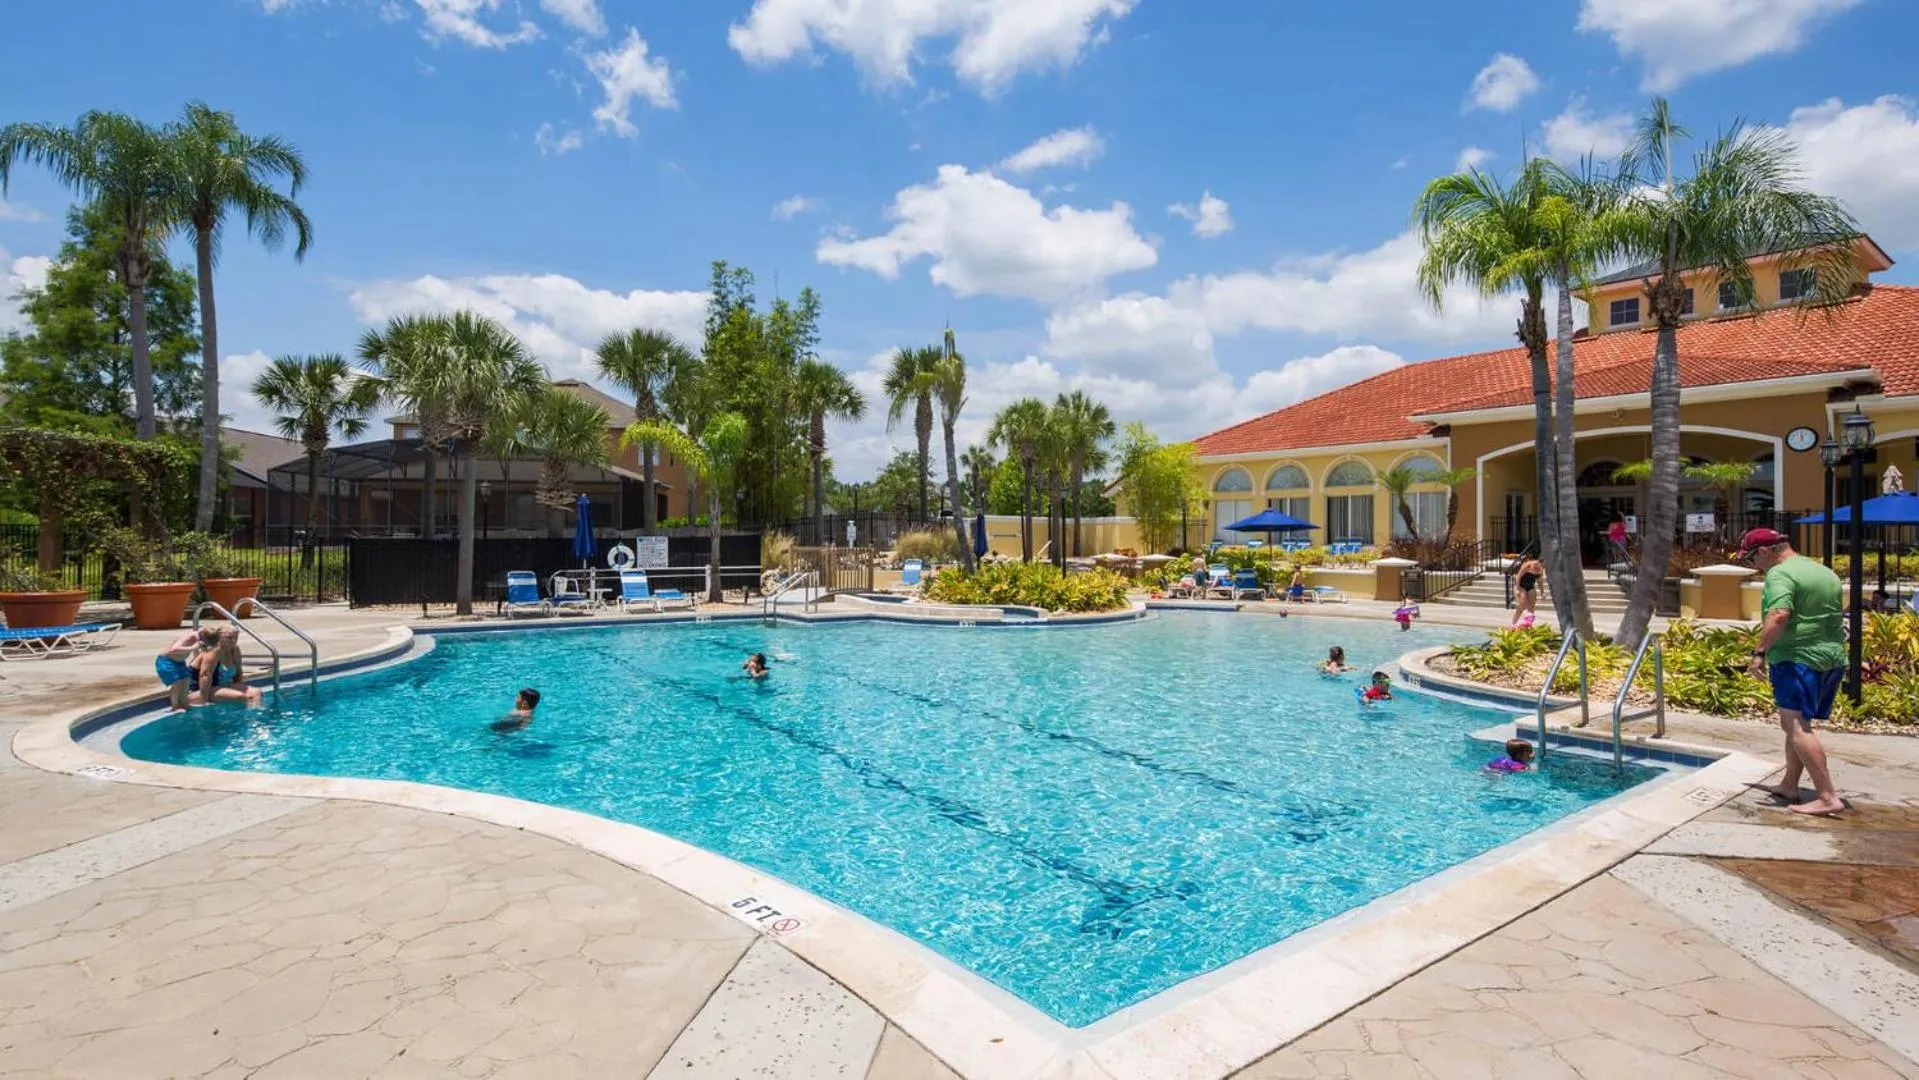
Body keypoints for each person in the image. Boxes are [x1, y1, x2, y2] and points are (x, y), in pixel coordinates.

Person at [1739, 528, 1847, 816]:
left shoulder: (1779, 574)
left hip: (1797, 658)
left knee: (1797, 726)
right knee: (1795, 723)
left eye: (1751, 559)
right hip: (1831, 657)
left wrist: (1759, 652)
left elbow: (1779, 614)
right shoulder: (1822, 571)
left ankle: (1827, 796)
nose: (1753, 567)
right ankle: (1790, 785)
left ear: (1764, 552)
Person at [195, 626, 263, 707]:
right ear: (219, 637)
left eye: (236, 637)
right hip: (206, 688)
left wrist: (239, 688)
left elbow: (238, 672)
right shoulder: (214, 651)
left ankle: (255, 716)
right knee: (239, 697)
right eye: (229, 638)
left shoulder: (235, 649)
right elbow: (205, 675)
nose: (234, 640)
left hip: (224, 685)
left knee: (256, 692)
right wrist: (204, 700)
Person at [156, 627, 217, 711]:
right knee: (176, 683)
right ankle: (175, 706)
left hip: (180, 663)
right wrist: (193, 647)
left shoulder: (198, 638)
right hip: (166, 661)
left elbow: (196, 652)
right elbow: (173, 650)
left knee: (186, 681)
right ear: (203, 636)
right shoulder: (189, 637)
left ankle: (184, 704)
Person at [1511, 555, 1545, 628]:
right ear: (1539, 562)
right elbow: (1518, 577)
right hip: (1521, 585)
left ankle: (1528, 625)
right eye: (1543, 564)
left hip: (1530, 586)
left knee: (1532, 607)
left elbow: (1540, 581)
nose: (1543, 566)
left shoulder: (1541, 569)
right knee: (1522, 605)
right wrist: (1517, 589)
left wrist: (1542, 593)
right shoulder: (1528, 565)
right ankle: (1513, 624)